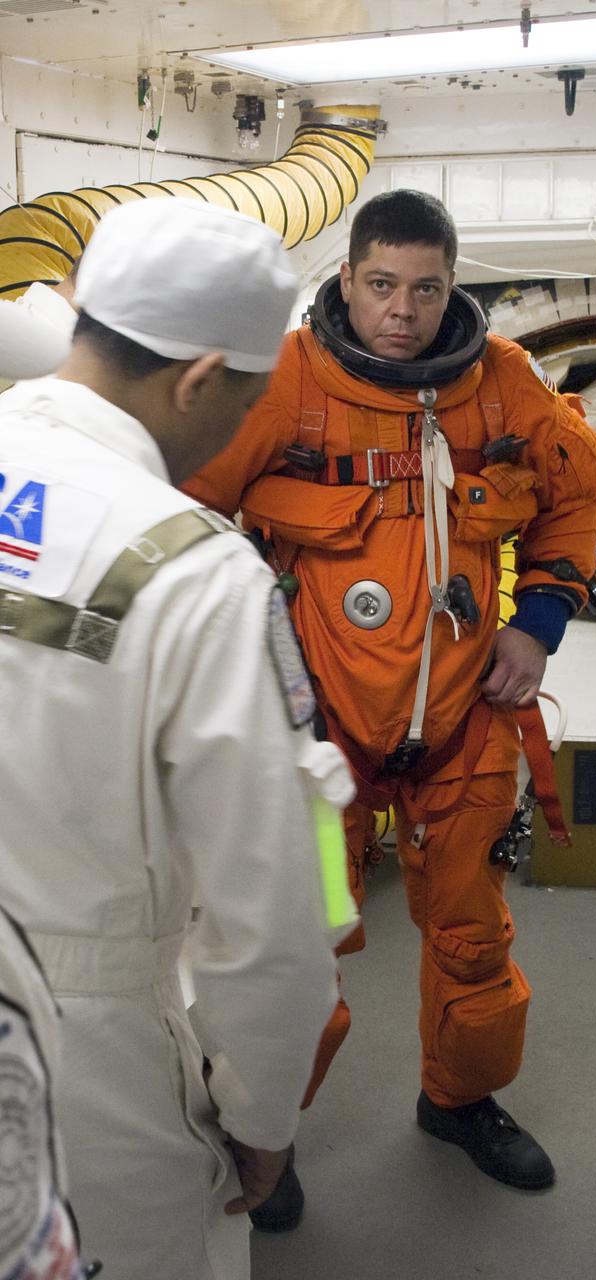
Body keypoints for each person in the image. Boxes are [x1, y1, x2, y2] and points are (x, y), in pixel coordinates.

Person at [185, 188, 596, 1223]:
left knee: (472, 939)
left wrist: (537, 622)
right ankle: (262, 1131)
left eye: (426, 289)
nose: (403, 310)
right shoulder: (287, 383)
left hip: (463, 723)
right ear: (346, 279)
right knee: (298, 945)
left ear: (450, 286)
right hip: (319, 735)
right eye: (381, 284)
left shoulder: (502, 384)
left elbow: (572, 495)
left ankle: (458, 1099)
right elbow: (188, 506)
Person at [0, 197, 354, 1280]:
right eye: (247, 399)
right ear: (201, 377)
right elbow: (271, 905)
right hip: (87, 1045)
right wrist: (261, 1116)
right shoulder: (192, 570)